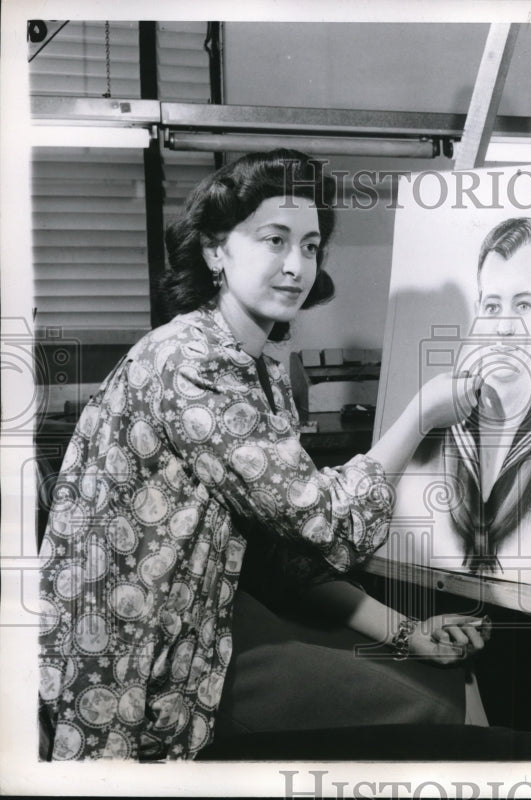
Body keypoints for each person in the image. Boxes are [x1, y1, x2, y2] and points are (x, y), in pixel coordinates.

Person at [37, 149, 489, 761]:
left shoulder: (262, 373)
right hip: (129, 672)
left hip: (200, 633)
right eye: (274, 239)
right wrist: (419, 416)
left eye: (310, 246)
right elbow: (334, 524)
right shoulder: (189, 360)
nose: (295, 265)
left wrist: (406, 632)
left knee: (431, 688)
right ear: (215, 251)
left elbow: (284, 559)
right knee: (434, 712)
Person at [414, 217, 531, 574]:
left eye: (523, 305)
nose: (504, 326)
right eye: (493, 306)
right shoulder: (438, 424)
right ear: (478, 311)